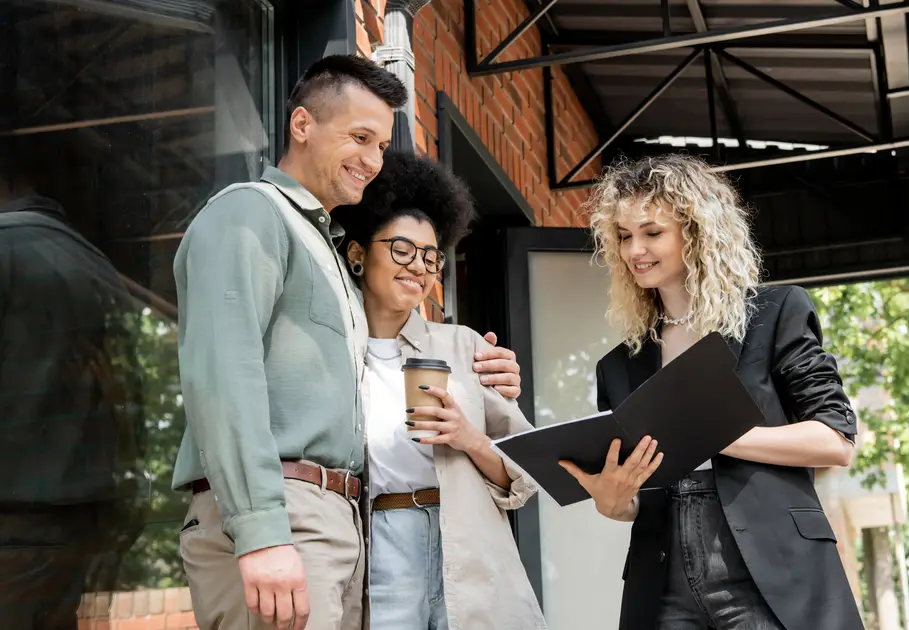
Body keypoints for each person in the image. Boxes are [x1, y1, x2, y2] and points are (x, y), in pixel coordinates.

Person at [171, 55, 525, 630]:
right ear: (303, 125)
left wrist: (481, 373)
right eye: (359, 137)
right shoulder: (250, 213)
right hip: (284, 510)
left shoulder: (327, 250)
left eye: (381, 146)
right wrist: (261, 532)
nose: (372, 161)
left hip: (338, 522)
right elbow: (223, 377)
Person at [559, 154, 865, 630]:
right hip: (665, 586)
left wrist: (712, 435)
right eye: (623, 236)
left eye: (652, 232)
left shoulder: (775, 314)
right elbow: (635, 501)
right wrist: (612, 499)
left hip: (770, 572)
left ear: (696, 232)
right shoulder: (618, 367)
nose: (634, 249)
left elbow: (835, 441)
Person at [338, 148, 545, 630]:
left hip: (467, 536)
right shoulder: (333, 354)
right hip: (380, 538)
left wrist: (468, 436)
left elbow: (527, 468)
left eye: (431, 258)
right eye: (402, 250)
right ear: (357, 253)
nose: (419, 267)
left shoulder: (464, 346)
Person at [0, 162, 146, 630]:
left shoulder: (8, 248)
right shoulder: (95, 265)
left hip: (14, 519)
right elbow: (127, 395)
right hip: (77, 516)